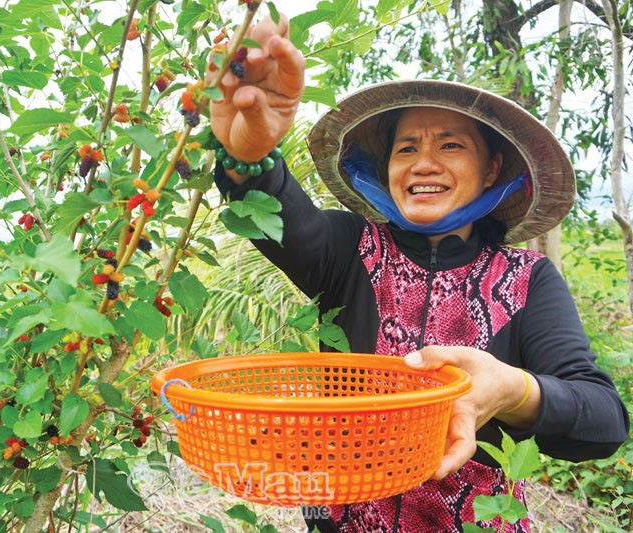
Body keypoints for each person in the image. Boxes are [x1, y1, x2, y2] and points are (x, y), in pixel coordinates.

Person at [207, 12, 630, 533]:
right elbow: (283, 217)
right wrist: (249, 158)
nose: (423, 163)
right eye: (406, 148)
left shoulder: (527, 280)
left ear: (492, 168)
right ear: (385, 170)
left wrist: (513, 391)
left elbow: (604, 419)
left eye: (450, 145)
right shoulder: (349, 250)